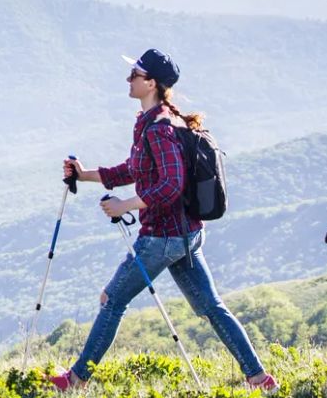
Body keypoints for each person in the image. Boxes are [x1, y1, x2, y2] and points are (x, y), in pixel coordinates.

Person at [51, 48, 278, 394]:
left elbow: (171, 185)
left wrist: (124, 204)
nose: (129, 80)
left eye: (135, 75)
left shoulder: (158, 128)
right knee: (212, 308)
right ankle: (260, 380)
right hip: (186, 235)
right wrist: (85, 175)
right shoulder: (160, 120)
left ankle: (75, 380)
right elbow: (134, 169)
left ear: (152, 83)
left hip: (162, 238)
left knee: (112, 301)